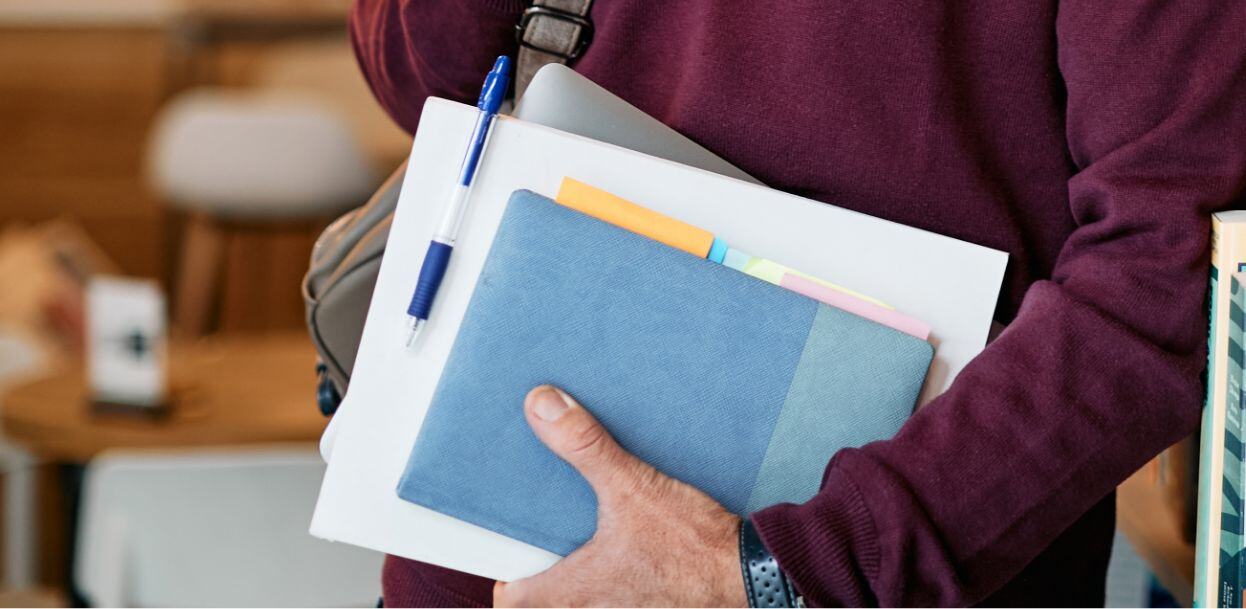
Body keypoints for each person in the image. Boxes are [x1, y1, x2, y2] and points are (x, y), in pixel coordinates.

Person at [349, 0, 1246, 606]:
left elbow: (1163, 272)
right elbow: (421, 78)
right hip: (490, 511)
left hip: (883, 546)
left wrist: (781, 572)